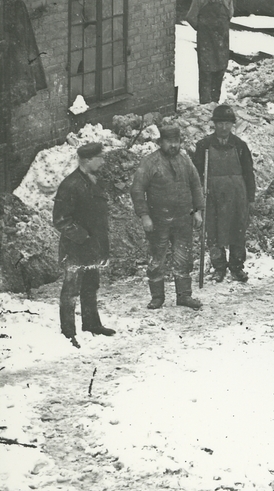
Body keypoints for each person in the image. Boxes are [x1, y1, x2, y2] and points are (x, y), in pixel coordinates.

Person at [131, 123, 205, 310]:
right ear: (160, 142)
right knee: (157, 258)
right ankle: (157, 297)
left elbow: (196, 185)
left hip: (183, 219)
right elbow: (137, 189)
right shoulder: (149, 162)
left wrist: (198, 210)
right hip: (158, 221)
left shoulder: (185, 160)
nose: (173, 145)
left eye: (176, 141)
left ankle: (184, 296)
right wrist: (144, 215)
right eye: (169, 142)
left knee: (184, 258)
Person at [52, 141, 114, 346]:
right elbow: (60, 220)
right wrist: (83, 236)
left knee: (91, 285)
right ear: (87, 160)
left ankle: (92, 324)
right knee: (71, 289)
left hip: (93, 245)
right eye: (99, 158)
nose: (103, 161)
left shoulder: (95, 180)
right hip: (75, 248)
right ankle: (67, 331)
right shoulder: (70, 185)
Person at [192, 104, 256, 283]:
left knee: (237, 230)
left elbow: (248, 172)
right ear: (214, 124)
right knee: (214, 231)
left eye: (228, 124)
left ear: (232, 125)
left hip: (237, 194)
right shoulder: (204, 145)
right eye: (220, 123)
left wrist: (250, 198)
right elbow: (197, 174)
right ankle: (219, 267)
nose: (224, 128)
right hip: (213, 195)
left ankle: (237, 267)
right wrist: (198, 199)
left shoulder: (240, 146)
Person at [185, 0, 234, 105]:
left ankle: (215, 102)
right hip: (206, 41)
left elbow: (229, 14)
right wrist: (202, 30)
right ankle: (205, 104)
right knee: (206, 72)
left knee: (219, 71)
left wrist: (220, 30)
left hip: (222, 41)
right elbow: (190, 16)